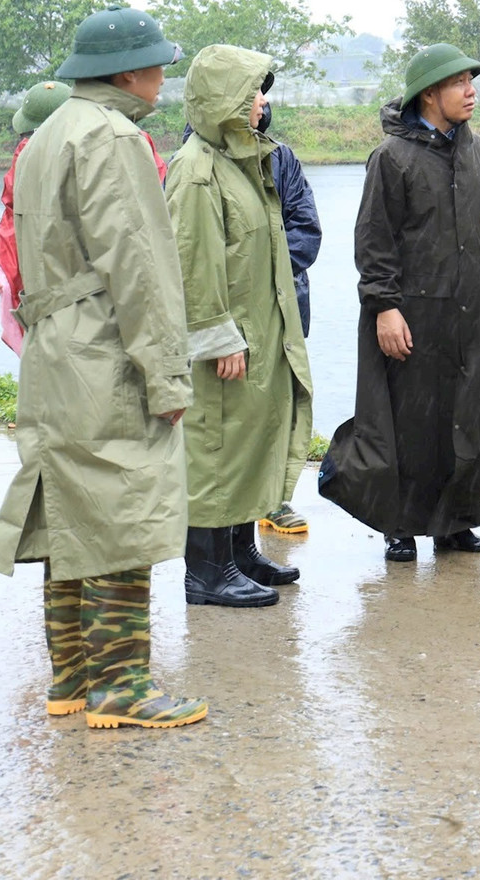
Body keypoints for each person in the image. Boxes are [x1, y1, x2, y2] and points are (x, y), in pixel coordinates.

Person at [0, 6, 205, 729]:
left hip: (53, 345)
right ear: (129, 72)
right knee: (120, 509)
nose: (164, 75)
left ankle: (72, 678)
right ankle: (122, 687)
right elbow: (137, 263)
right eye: (157, 63)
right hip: (103, 344)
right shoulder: (115, 137)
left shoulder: (49, 133)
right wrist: (167, 374)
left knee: (73, 509)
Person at [322, 43, 480, 562]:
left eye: (472, 82)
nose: (472, 91)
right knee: (411, 423)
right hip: (412, 313)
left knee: (468, 418)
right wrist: (384, 307)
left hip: (472, 311)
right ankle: (401, 525)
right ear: (430, 93)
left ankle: (455, 524)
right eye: (460, 84)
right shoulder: (392, 158)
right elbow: (373, 242)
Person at [165, 44, 315, 607]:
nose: (263, 102)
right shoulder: (198, 171)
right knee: (215, 446)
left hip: (261, 329)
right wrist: (217, 334)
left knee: (252, 437)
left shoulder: (244, 162)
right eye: (253, 91)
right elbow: (191, 263)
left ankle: (239, 552)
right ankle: (205, 573)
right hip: (227, 340)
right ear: (225, 99)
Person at [0, 80, 73, 354]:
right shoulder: (122, 148)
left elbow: (13, 218)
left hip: (56, 300)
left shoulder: (27, 159)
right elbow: (14, 217)